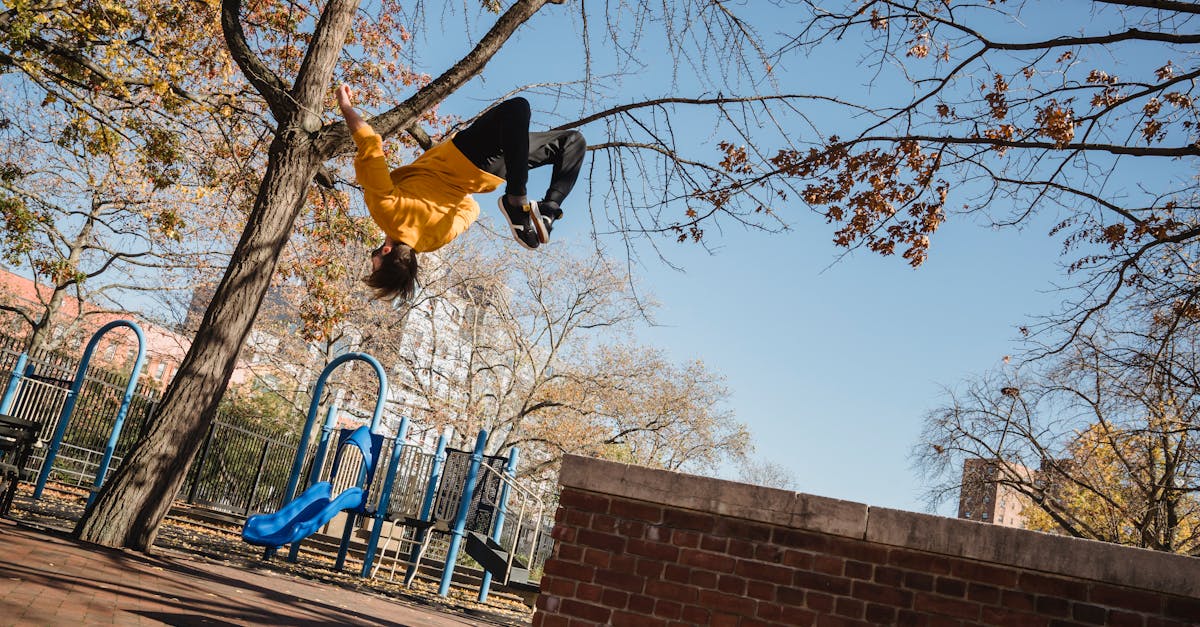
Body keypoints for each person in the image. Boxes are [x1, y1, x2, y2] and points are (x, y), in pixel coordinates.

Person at [336, 85, 586, 302]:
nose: (371, 262)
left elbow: (471, 210)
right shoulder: (383, 209)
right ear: (386, 252)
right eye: (373, 265)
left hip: (493, 172)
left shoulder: (433, 242)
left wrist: (455, 189)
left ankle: (548, 210)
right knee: (520, 109)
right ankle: (522, 201)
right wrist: (346, 106)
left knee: (572, 141)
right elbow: (370, 145)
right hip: (468, 152)